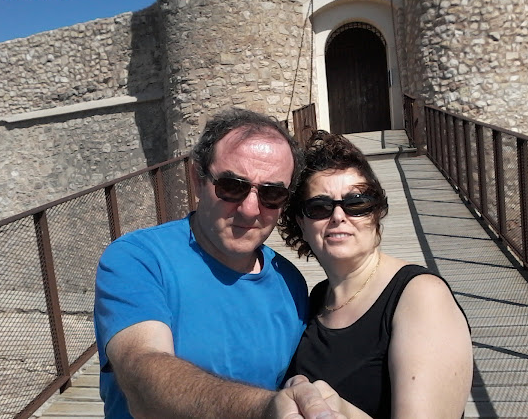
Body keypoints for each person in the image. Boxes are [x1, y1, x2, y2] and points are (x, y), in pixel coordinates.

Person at [94, 108, 343, 418]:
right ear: (198, 180)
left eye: (272, 193)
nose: (250, 209)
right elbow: (142, 378)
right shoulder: (138, 259)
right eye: (232, 187)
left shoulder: (289, 281)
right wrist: (264, 407)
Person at [278, 130, 473, 418]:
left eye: (357, 203)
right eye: (319, 207)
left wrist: (331, 408)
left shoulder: (420, 297)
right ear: (302, 224)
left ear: (376, 212)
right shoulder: (318, 298)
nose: (338, 216)